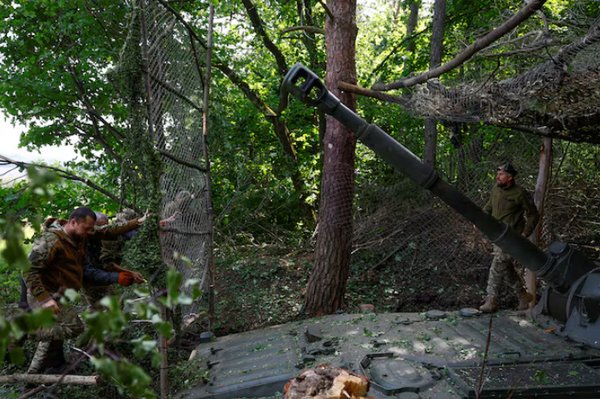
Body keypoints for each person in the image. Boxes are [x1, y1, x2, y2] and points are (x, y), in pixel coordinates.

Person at [23, 207, 146, 374]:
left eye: (91, 229)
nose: (90, 233)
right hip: (44, 294)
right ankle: (24, 333)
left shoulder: (80, 234)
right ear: (73, 222)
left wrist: (138, 221)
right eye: (87, 229)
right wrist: (45, 299)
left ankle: (49, 369)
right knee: (74, 326)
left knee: (56, 335)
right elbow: (29, 270)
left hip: (59, 294)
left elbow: (108, 230)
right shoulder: (51, 241)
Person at [479, 162, 540, 313]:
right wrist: (479, 219)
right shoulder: (496, 189)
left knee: (498, 263)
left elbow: (533, 214)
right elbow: (488, 207)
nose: (497, 176)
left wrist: (525, 233)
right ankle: (523, 296)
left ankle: (491, 300)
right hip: (496, 235)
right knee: (506, 268)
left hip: (511, 237)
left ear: (510, 177)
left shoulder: (520, 193)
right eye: (497, 173)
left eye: (501, 174)